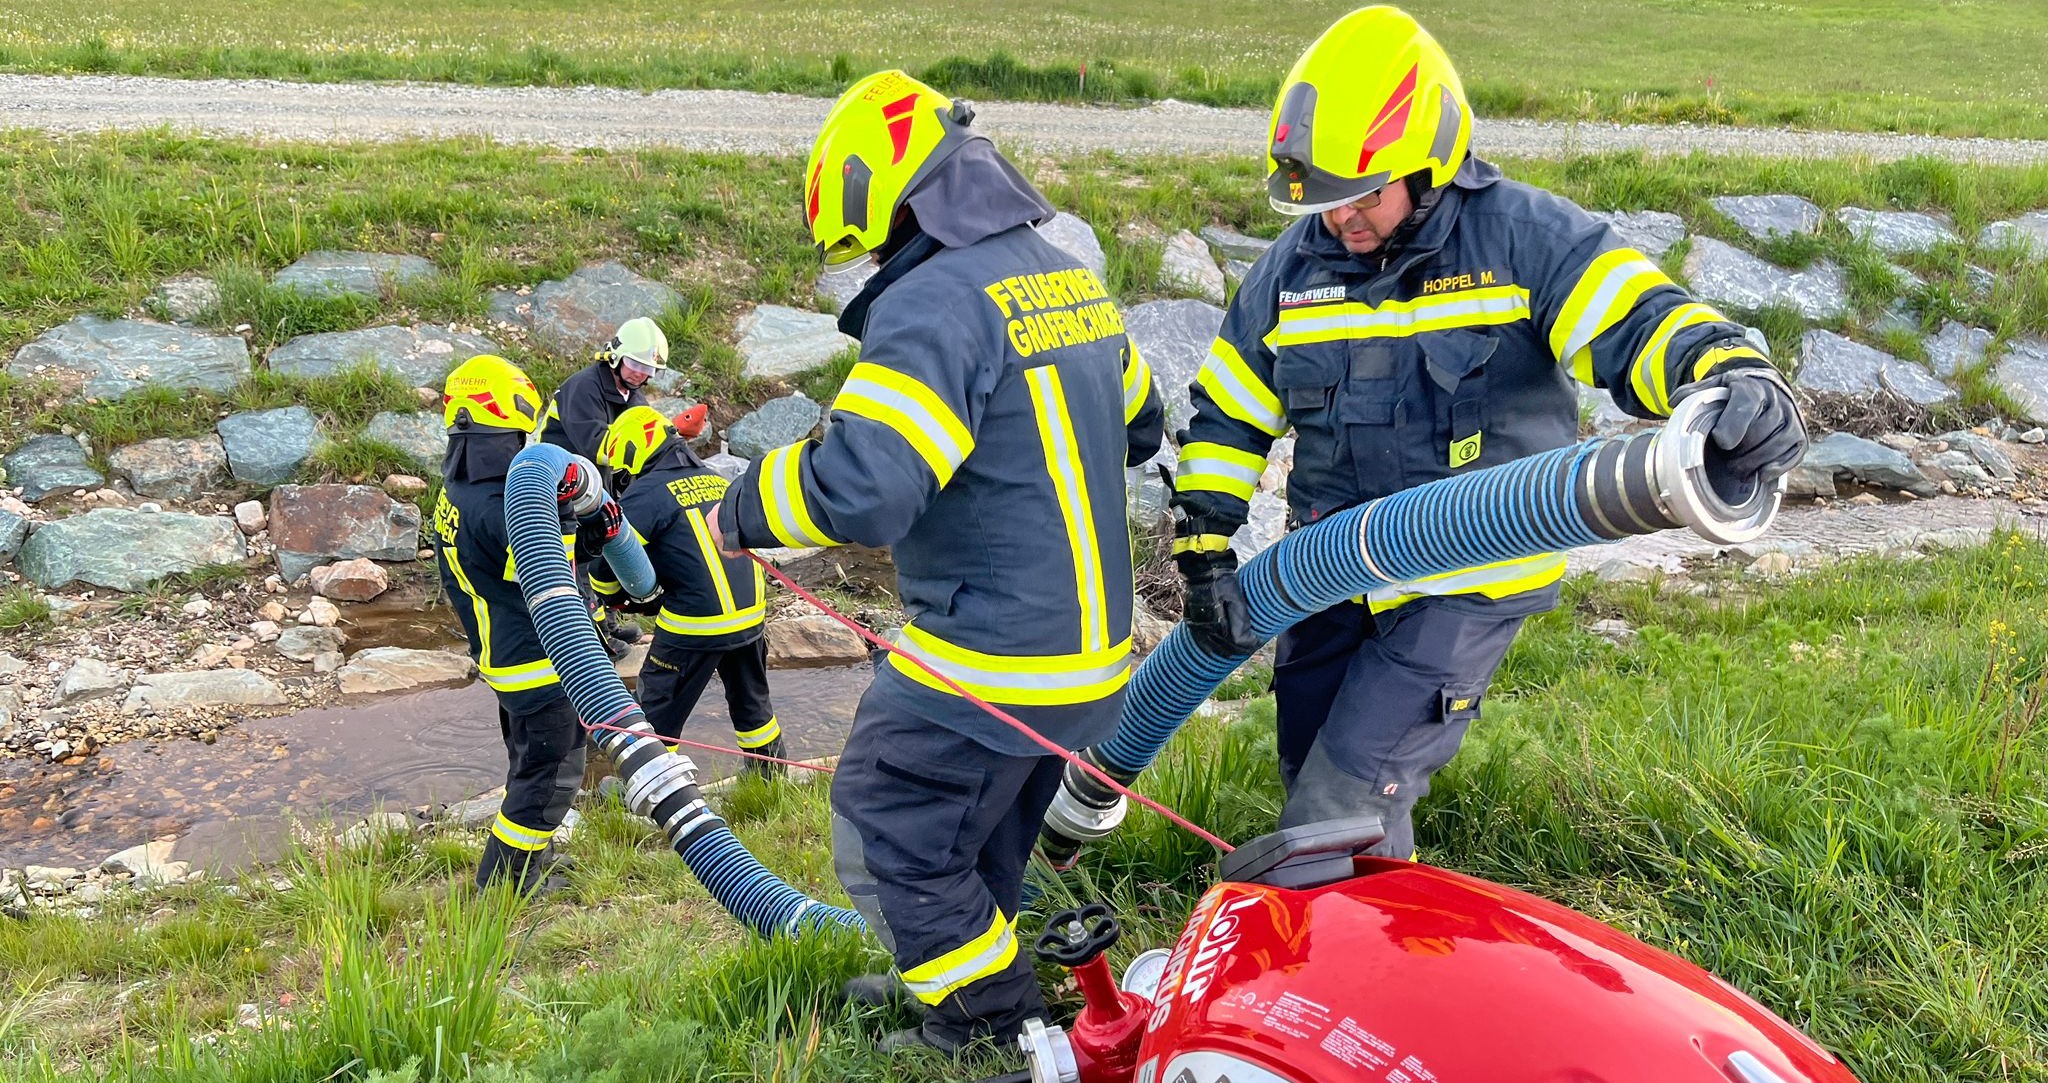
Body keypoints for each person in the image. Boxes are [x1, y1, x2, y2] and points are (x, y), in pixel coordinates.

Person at [1169, 6, 1808, 859]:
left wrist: (1731, 373)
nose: (1341, 222)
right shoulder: (1295, 271)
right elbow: (1228, 412)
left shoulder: (1523, 238)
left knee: (1336, 810)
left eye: (1364, 196)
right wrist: (1206, 549)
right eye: (1325, 200)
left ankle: (1362, 971)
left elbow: (1643, 321)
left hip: (1462, 579)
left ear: (1428, 165)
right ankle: (1363, 946)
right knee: (1307, 775)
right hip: (1329, 575)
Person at [708, 70, 1164, 1055]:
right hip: (1093, 654)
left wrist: (745, 504)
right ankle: (968, 984)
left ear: (897, 202)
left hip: (998, 653)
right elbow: (1141, 425)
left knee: (891, 817)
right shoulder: (1063, 277)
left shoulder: (932, 304)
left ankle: (983, 1028)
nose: (870, 260)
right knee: (976, 834)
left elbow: (865, 491)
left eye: (867, 239)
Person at [433, 354, 619, 894]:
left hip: (503, 654)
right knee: (550, 776)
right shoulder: (504, 506)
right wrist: (590, 529)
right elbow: (547, 572)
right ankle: (505, 883)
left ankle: (531, 858)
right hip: (540, 661)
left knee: (527, 767)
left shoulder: (459, 490)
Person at [588, 405, 788, 777]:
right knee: (753, 704)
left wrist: (617, 599)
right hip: (750, 618)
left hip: (694, 627)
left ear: (633, 456)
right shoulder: (715, 477)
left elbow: (605, 561)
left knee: (658, 709)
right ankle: (770, 779)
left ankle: (654, 792)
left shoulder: (644, 494)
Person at [538, 315, 672, 657]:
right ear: (615, 355)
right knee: (578, 561)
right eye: (636, 364)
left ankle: (609, 622)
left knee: (605, 554)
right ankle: (593, 640)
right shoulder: (583, 388)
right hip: (560, 487)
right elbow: (596, 445)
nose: (641, 374)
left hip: (598, 485)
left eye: (648, 369)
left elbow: (638, 441)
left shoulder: (632, 396)